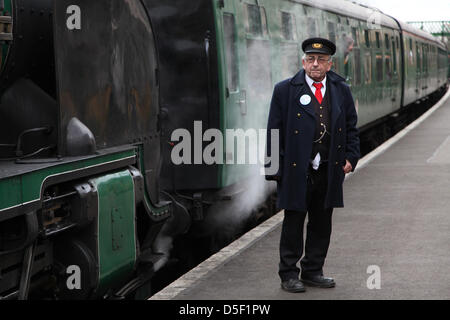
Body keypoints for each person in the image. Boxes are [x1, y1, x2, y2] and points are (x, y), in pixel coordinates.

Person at [265, 37, 360, 293]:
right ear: (303, 61)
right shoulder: (285, 90)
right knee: (293, 222)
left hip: (328, 168)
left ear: (330, 64)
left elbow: (351, 127)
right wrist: (273, 169)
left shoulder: (341, 89)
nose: (315, 64)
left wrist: (351, 158)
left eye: (320, 60)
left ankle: (313, 270)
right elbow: (274, 131)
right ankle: (288, 274)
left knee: (321, 222)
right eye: (310, 59)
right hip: (297, 170)